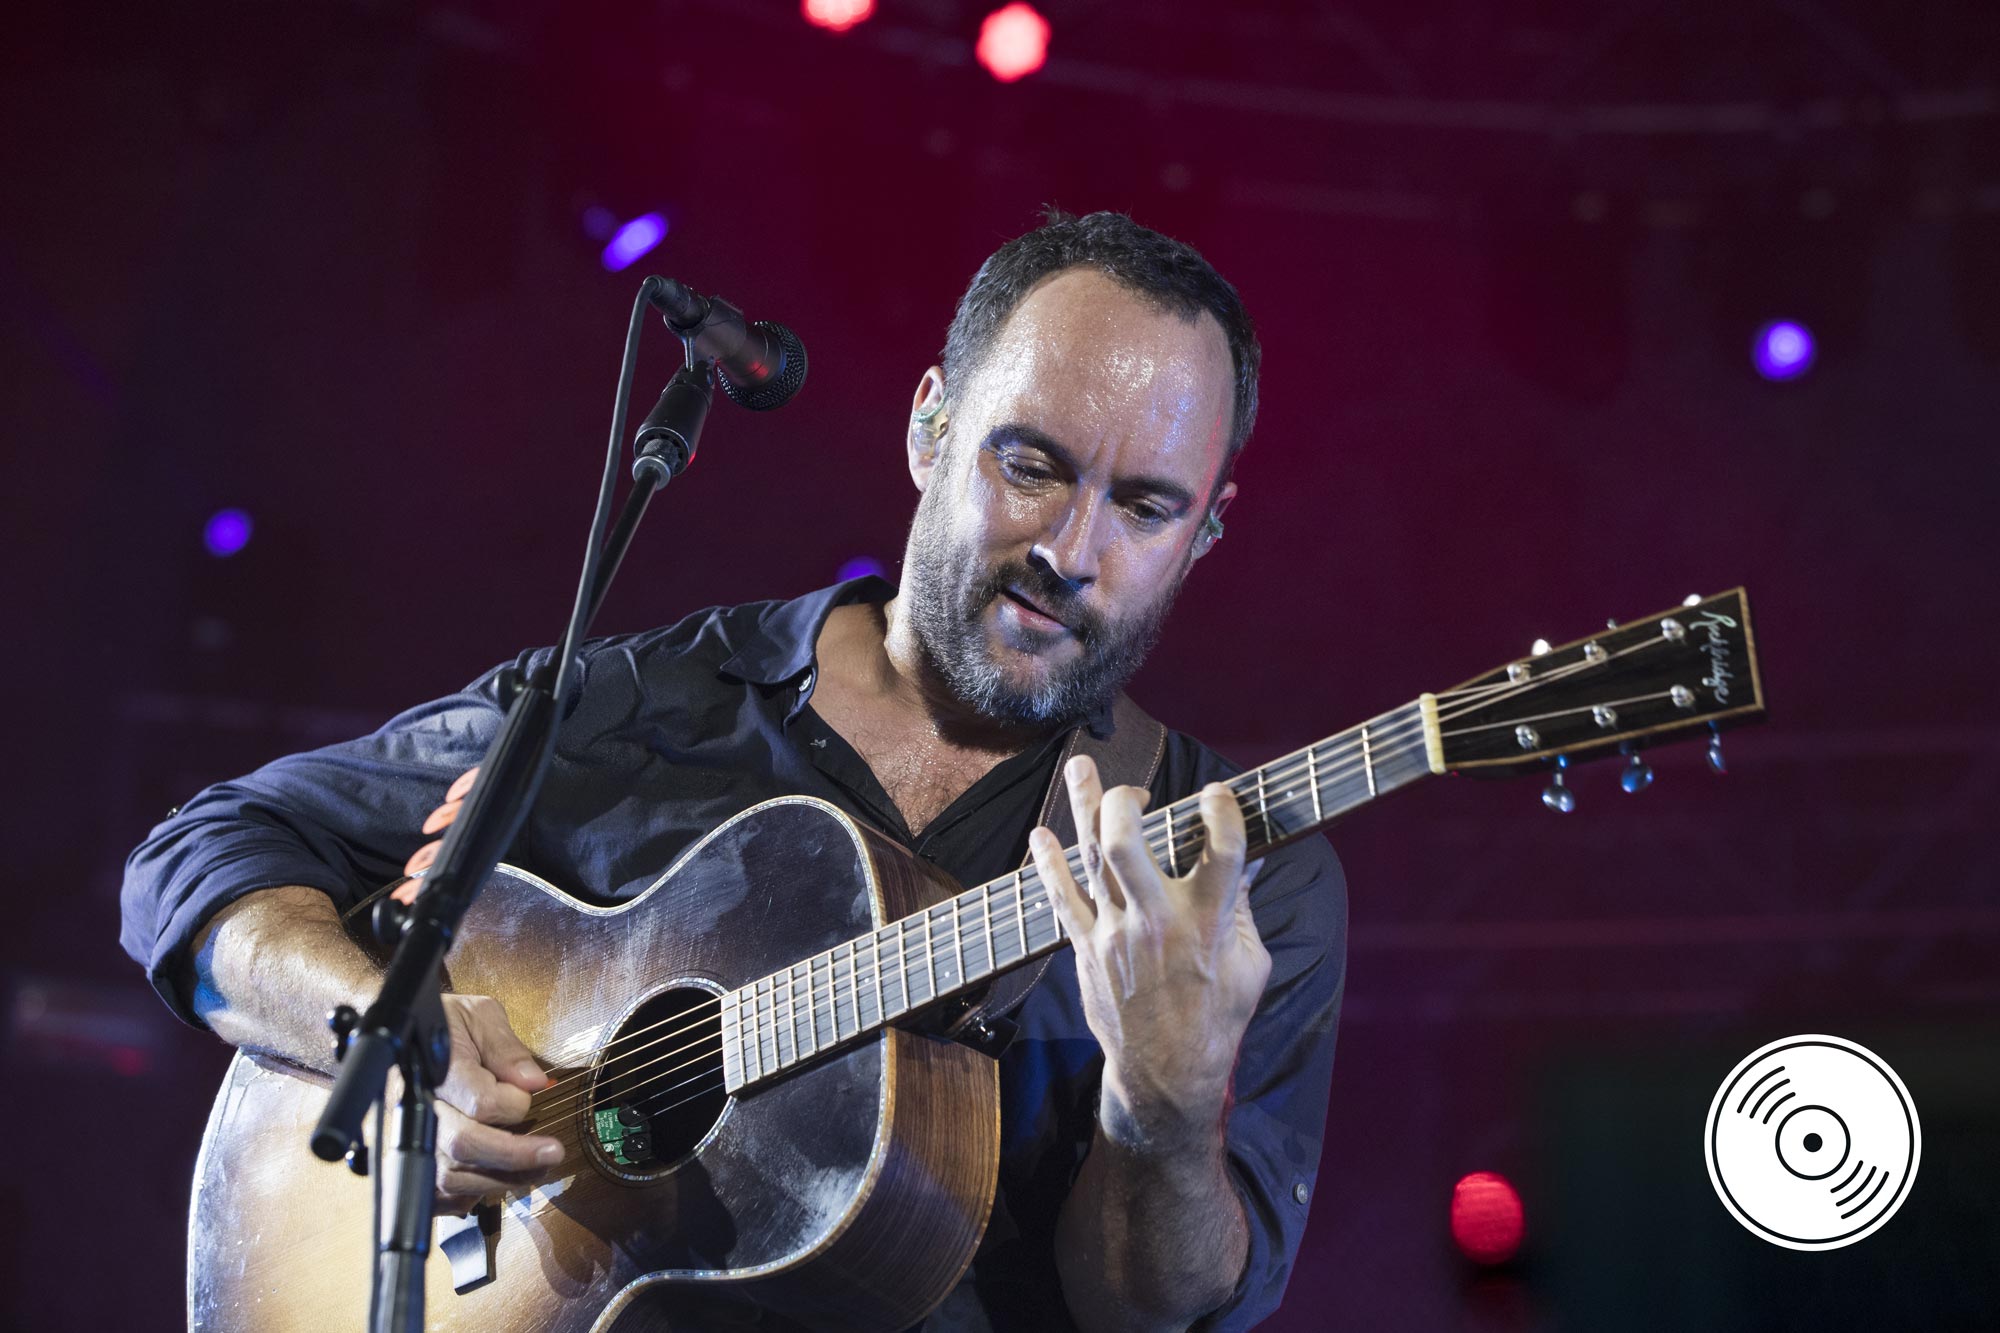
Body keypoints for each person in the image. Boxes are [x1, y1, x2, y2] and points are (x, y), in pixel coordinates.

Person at [121, 209, 1347, 1332]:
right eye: (1029, 466)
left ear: (1205, 531)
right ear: (929, 427)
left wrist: (1163, 1104)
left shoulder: (1237, 874)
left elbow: (1151, 1309)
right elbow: (196, 856)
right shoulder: (636, 705)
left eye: (1143, 508)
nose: (1071, 551)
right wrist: (392, 1042)